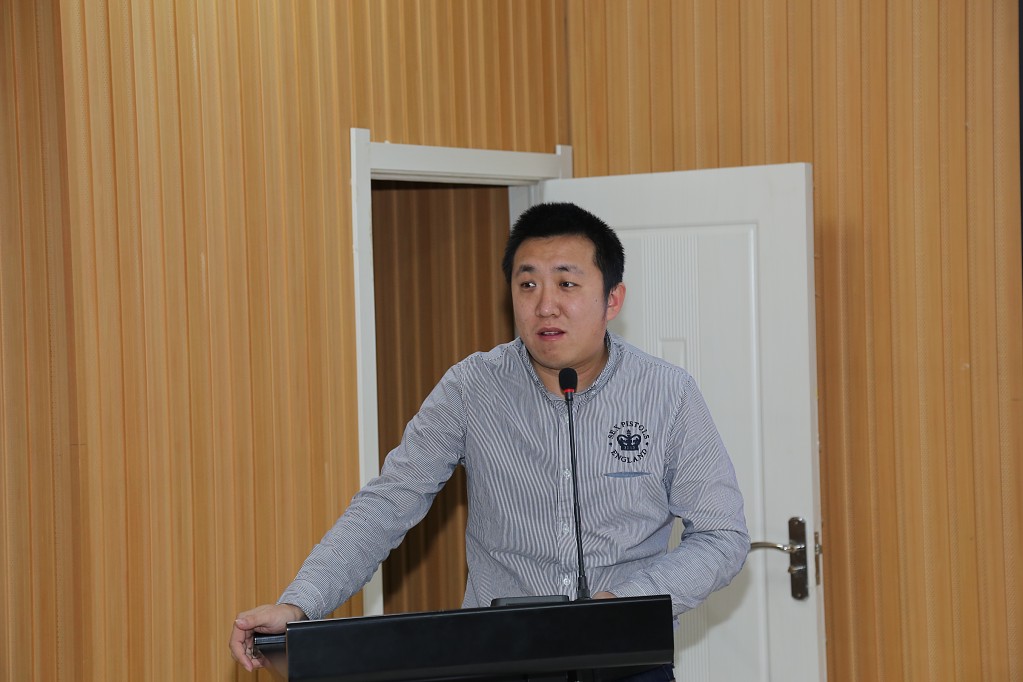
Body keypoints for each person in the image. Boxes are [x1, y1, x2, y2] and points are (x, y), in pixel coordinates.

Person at [230, 202, 749, 680]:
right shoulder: (470, 388)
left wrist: (626, 603)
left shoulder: (668, 393)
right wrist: (300, 603)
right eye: (528, 285)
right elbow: (387, 505)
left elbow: (721, 535)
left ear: (612, 298)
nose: (545, 306)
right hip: (498, 662)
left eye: (567, 284)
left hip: (627, 660)